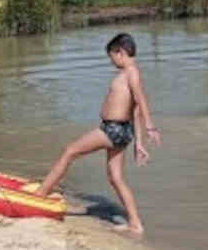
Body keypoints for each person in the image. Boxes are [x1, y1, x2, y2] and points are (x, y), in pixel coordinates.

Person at [31, 33, 161, 236]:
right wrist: (138, 143)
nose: (112, 62)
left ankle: (40, 194)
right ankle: (135, 224)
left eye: (112, 57)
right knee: (115, 178)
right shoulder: (129, 73)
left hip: (112, 129)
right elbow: (133, 109)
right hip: (122, 131)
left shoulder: (131, 73)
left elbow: (141, 100)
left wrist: (150, 127)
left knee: (70, 151)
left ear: (121, 52)